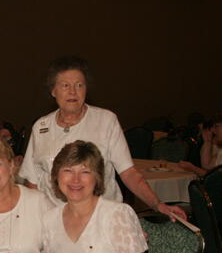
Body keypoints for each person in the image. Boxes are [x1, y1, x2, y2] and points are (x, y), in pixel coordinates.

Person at [19, 55, 185, 220]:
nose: (72, 91)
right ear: (53, 91)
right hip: (56, 222)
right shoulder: (41, 127)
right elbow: (33, 183)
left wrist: (158, 204)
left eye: (79, 85)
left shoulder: (106, 121)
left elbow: (129, 173)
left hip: (102, 219)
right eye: (65, 85)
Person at [42, 140, 151, 253]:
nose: (76, 180)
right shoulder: (50, 220)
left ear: (97, 178)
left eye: (85, 172)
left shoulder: (117, 215)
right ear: (56, 176)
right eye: (68, 170)